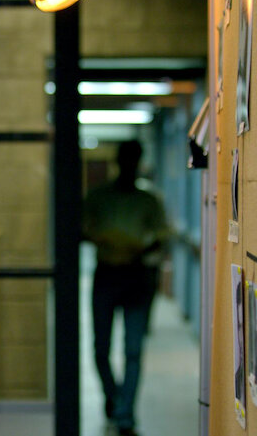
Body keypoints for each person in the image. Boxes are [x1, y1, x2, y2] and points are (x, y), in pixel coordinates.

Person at [83, 140, 171, 436]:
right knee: (100, 349)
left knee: (133, 350)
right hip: (107, 274)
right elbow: (82, 229)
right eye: (126, 160)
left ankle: (125, 415)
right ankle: (115, 397)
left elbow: (161, 236)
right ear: (118, 162)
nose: (130, 166)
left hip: (136, 275)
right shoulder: (99, 197)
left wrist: (141, 247)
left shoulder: (148, 200)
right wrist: (105, 239)